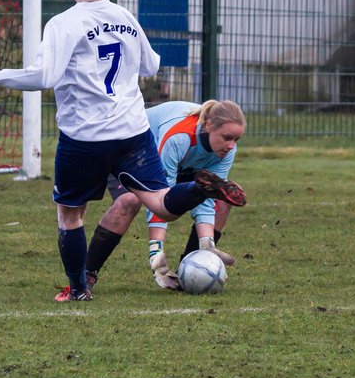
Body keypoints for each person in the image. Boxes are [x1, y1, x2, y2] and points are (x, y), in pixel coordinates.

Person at [0, 0, 247, 303]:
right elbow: (151, 65)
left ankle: (78, 290)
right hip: (133, 131)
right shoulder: (124, 16)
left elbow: (46, 76)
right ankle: (198, 188)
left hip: (86, 138)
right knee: (162, 201)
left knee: (70, 215)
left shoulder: (63, 23)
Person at [83, 99, 245, 292]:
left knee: (222, 199)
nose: (230, 145)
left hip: (182, 164)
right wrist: (156, 254)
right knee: (129, 200)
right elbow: (160, 198)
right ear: (209, 125)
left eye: (236, 139)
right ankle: (86, 275)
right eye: (227, 137)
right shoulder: (179, 137)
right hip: (128, 151)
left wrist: (207, 242)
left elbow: (208, 195)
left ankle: (189, 270)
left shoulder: (227, 150)